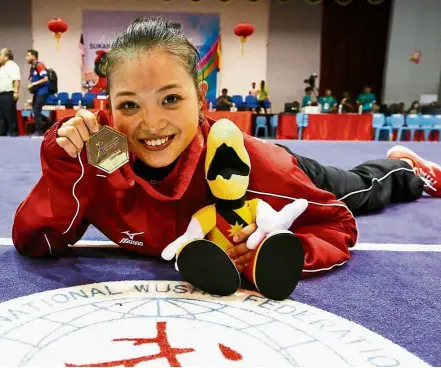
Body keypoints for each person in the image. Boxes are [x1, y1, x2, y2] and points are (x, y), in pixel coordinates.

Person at [12, 18, 441, 282]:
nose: (151, 123)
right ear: (109, 108)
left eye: (171, 99)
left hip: (285, 170)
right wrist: (63, 167)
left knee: (360, 190)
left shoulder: (254, 167)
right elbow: (38, 243)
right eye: (129, 105)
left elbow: (337, 224)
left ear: (200, 96)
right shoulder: (99, 153)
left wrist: (278, 250)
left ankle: (406, 168)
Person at [26, 49, 52, 135]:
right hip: (37, 92)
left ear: (33, 56)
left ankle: (38, 131)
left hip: (43, 91)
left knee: (37, 110)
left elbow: (45, 79)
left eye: (28, 55)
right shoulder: (32, 68)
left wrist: (33, 84)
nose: (26, 58)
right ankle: (51, 123)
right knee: (35, 111)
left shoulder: (40, 65)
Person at [0, 48, 20, 136]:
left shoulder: (11, 65)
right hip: (1, 94)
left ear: (6, 56)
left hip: (8, 93)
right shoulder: (2, 67)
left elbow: (16, 79)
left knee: (9, 113)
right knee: (1, 114)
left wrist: (16, 91)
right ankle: (2, 132)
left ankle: (13, 132)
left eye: (1, 55)